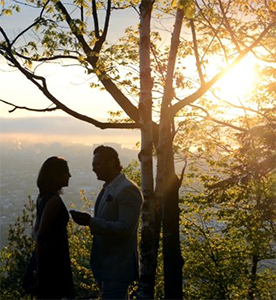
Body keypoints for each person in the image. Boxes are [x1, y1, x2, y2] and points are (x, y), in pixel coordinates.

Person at [70, 145, 143, 300]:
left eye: (97, 164)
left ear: (111, 163)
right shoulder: (110, 188)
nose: (94, 169)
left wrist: (91, 222)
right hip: (107, 267)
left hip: (117, 267)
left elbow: (125, 228)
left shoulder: (126, 190)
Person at [33, 156, 75, 300]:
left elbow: (37, 231)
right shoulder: (54, 201)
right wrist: (40, 271)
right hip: (54, 261)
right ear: (56, 175)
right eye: (66, 172)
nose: (70, 176)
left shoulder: (42, 197)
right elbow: (41, 236)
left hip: (47, 259)